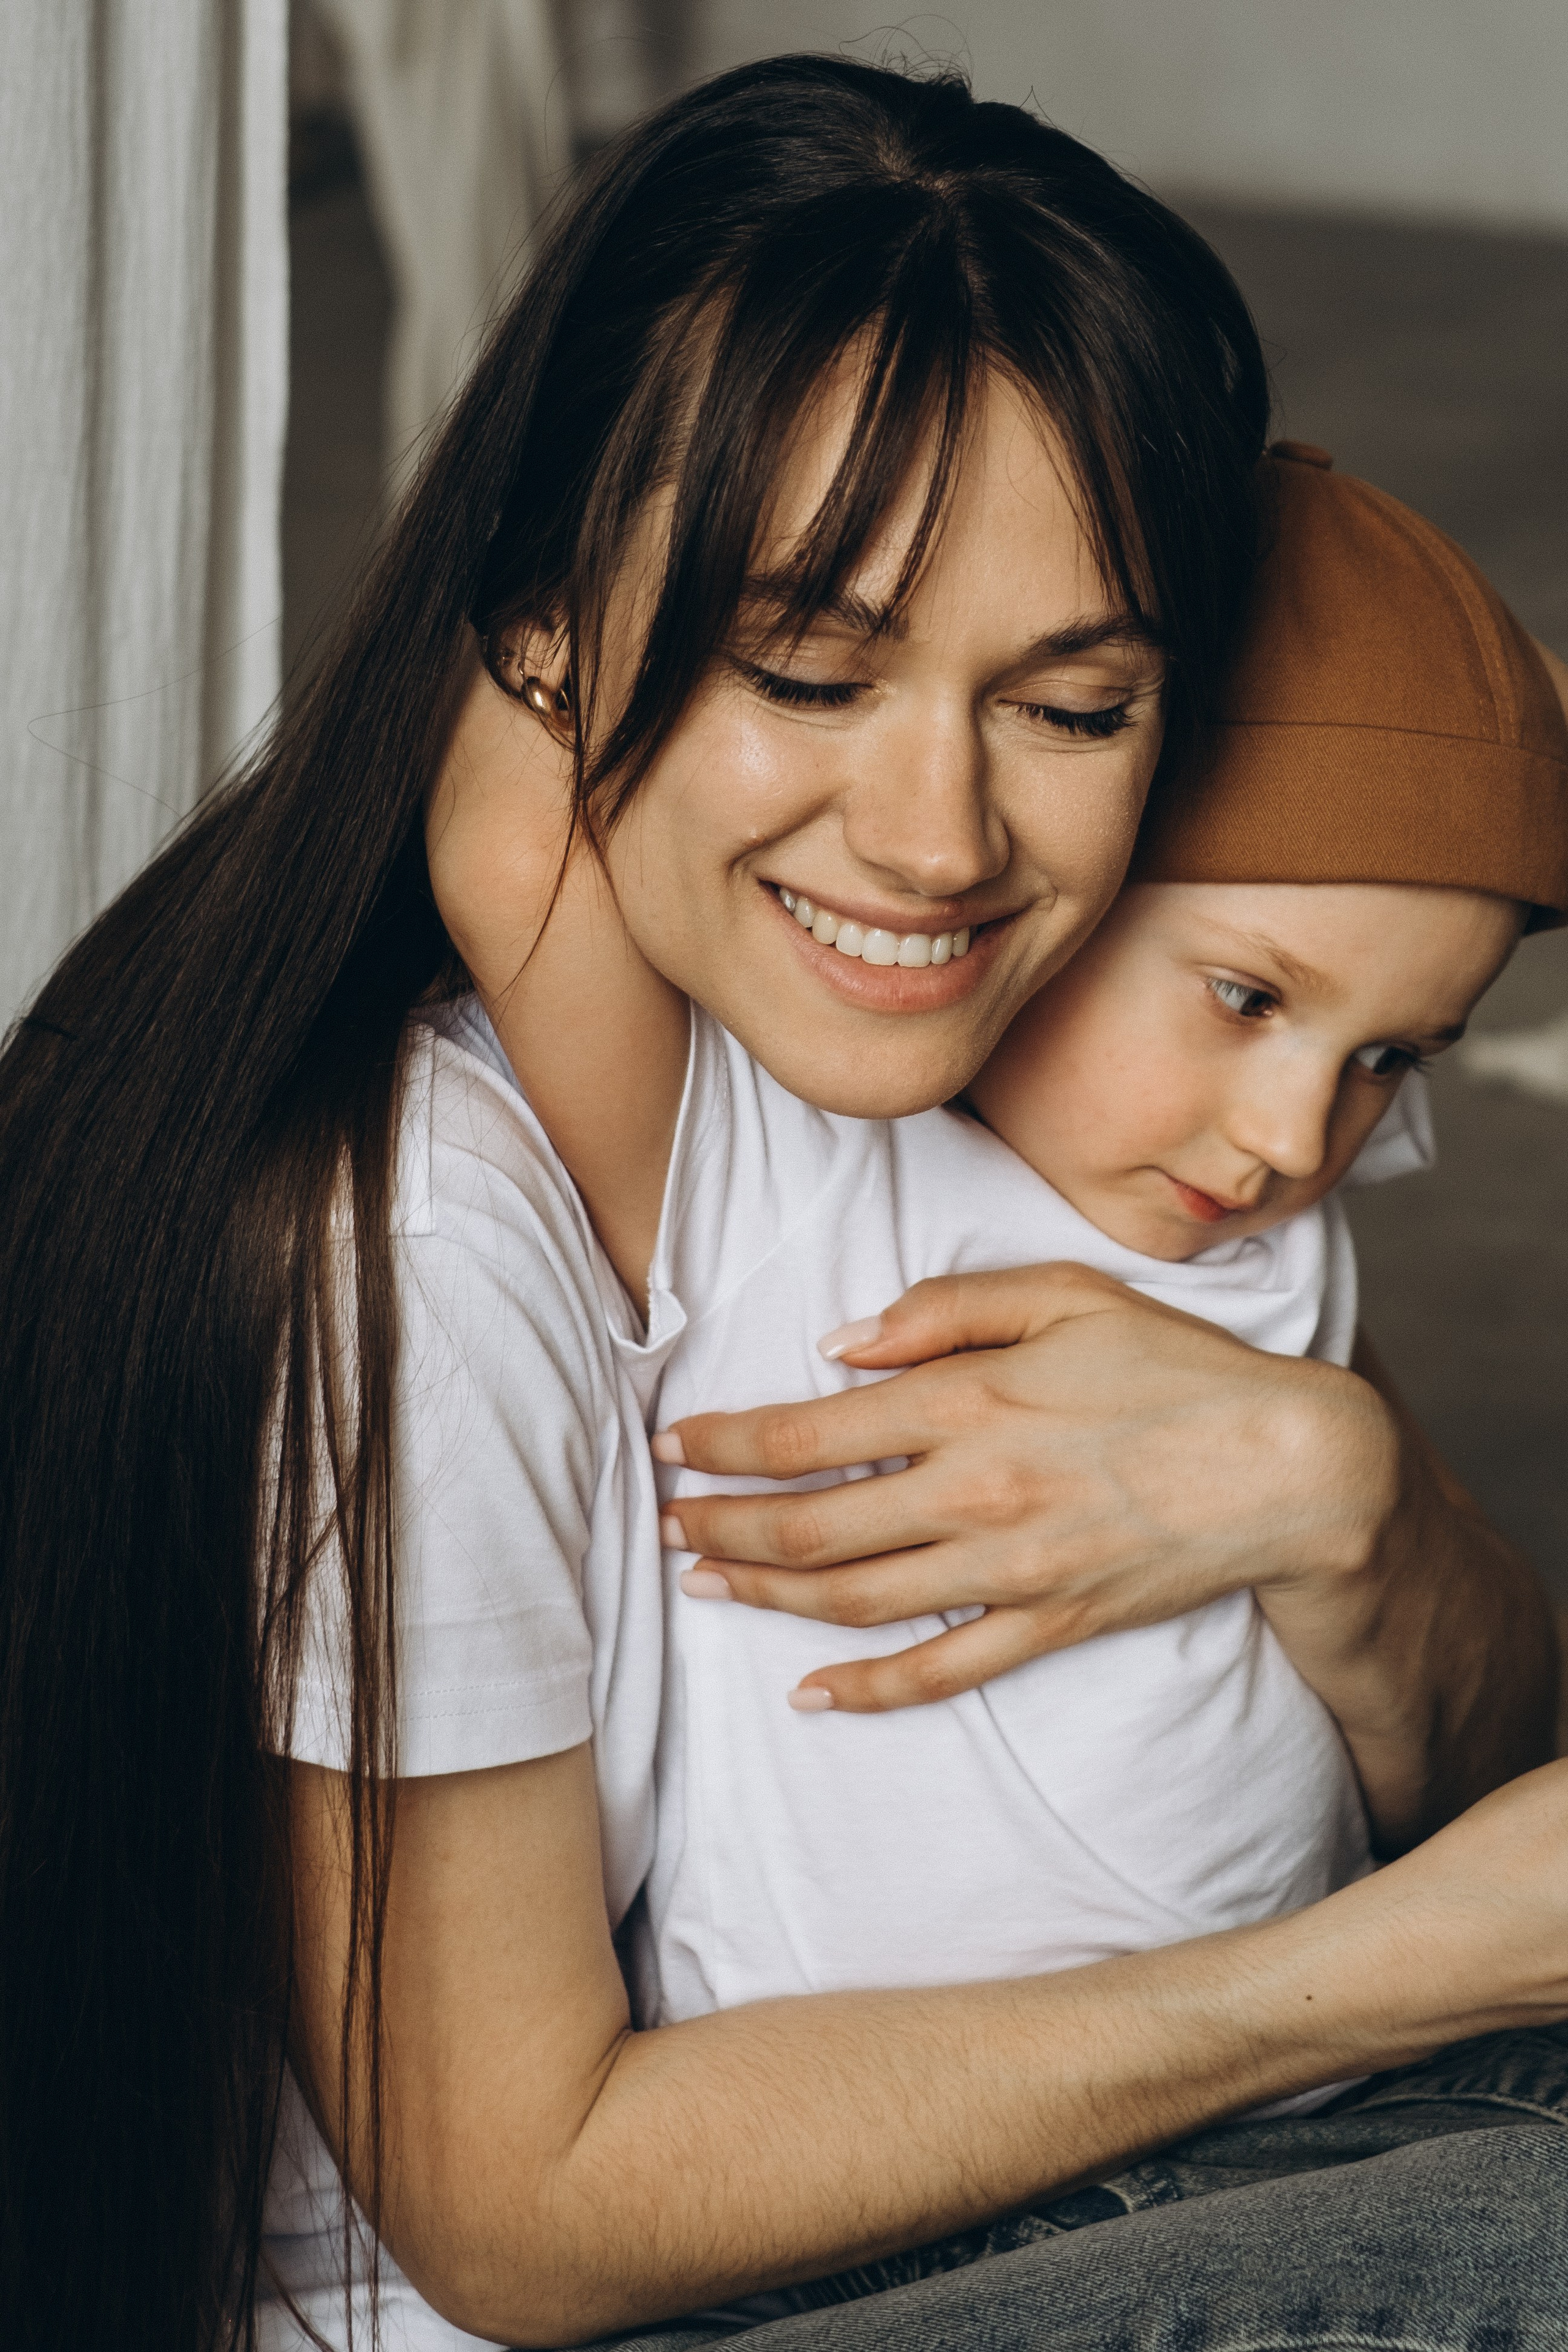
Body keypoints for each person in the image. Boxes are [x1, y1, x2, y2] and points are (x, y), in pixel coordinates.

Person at [0, 55, 1562, 2352]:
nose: (936, 843)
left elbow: (1495, 1754)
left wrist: (1339, 1491)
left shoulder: (1013, 1054)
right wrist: (1369, 1977)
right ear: (548, 636)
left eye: (1075, 707)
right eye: (812, 670)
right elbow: (517, 2221)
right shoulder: (438, 1231)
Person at [625, 447, 1567, 2038]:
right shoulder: (796, 1138)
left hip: (1343, 2082)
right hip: (897, 2126)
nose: (1297, 1138)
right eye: (1246, 998)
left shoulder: (1257, 1206)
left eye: (1391, 1057)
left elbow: (1500, 1719)